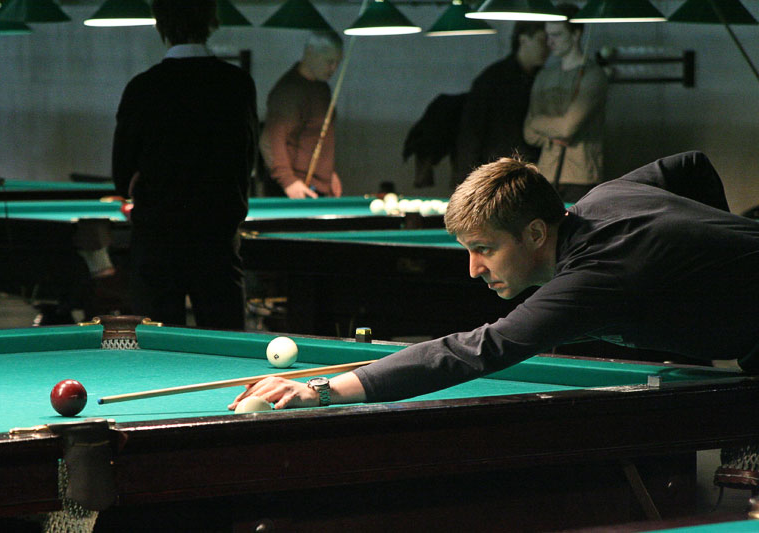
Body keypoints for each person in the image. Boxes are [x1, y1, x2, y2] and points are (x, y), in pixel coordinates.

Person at [229, 151, 759, 410]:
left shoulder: (594, 276)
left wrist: (321, 390)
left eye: (484, 249)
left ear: (535, 233)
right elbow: (690, 167)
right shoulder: (601, 201)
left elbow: (479, 350)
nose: (473, 269)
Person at [112, 0, 258, 329]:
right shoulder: (237, 84)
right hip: (217, 239)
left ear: (160, 24)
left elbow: (121, 176)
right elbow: (246, 161)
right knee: (224, 345)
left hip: (157, 241)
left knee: (155, 346)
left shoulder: (142, 88)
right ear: (211, 22)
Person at [523, 3, 607, 203]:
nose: (550, 42)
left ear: (576, 34)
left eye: (557, 35)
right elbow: (528, 131)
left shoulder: (593, 75)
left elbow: (567, 128)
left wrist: (545, 126)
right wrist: (555, 132)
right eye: (548, 35)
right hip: (547, 174)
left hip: (582, 176)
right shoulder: (544, 76)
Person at [451, 21, 549, 187]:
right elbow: (471, 134)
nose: (548, 46)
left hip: (530, 174)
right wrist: (466, 182)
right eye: (542, 40)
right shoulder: (493, 79)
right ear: (523, 39)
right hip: (495, 175)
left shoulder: (544, 79)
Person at [259, 31, 343, 199]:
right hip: (293, 190)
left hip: (315, 186)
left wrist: (327, 174)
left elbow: (315, 136)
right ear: (310, 52)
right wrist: (288, 181)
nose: (333, 68)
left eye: (337, 62)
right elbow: (269, 141)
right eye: (329, 61)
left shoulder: (322, 88)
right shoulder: (289, 91)